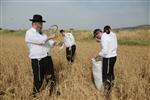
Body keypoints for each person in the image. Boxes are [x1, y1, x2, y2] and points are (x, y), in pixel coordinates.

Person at [25, 14, 59, 97]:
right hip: (38, 59)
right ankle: (35, 94)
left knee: (50, 76)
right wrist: (50, 37)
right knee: (38, 78)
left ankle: (53, 92)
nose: (42, 26)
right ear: (35, 23)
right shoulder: (29, 33)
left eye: (42, 24)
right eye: (41, 24)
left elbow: (48, 43)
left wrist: (55, 42)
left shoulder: (42, 34)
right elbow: (40, 41)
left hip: (47, 57)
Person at [93, 25, 117, 92]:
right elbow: (109, 41)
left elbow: (105, 50)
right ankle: (112, 85)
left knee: (106, 74)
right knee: (111, 72)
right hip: (114, 56)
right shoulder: (111, 35)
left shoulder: (103, 37)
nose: (97, 38)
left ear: (98, 33)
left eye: (96, 36)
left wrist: (98, 56)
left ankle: (108, 91)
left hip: (108, 58)